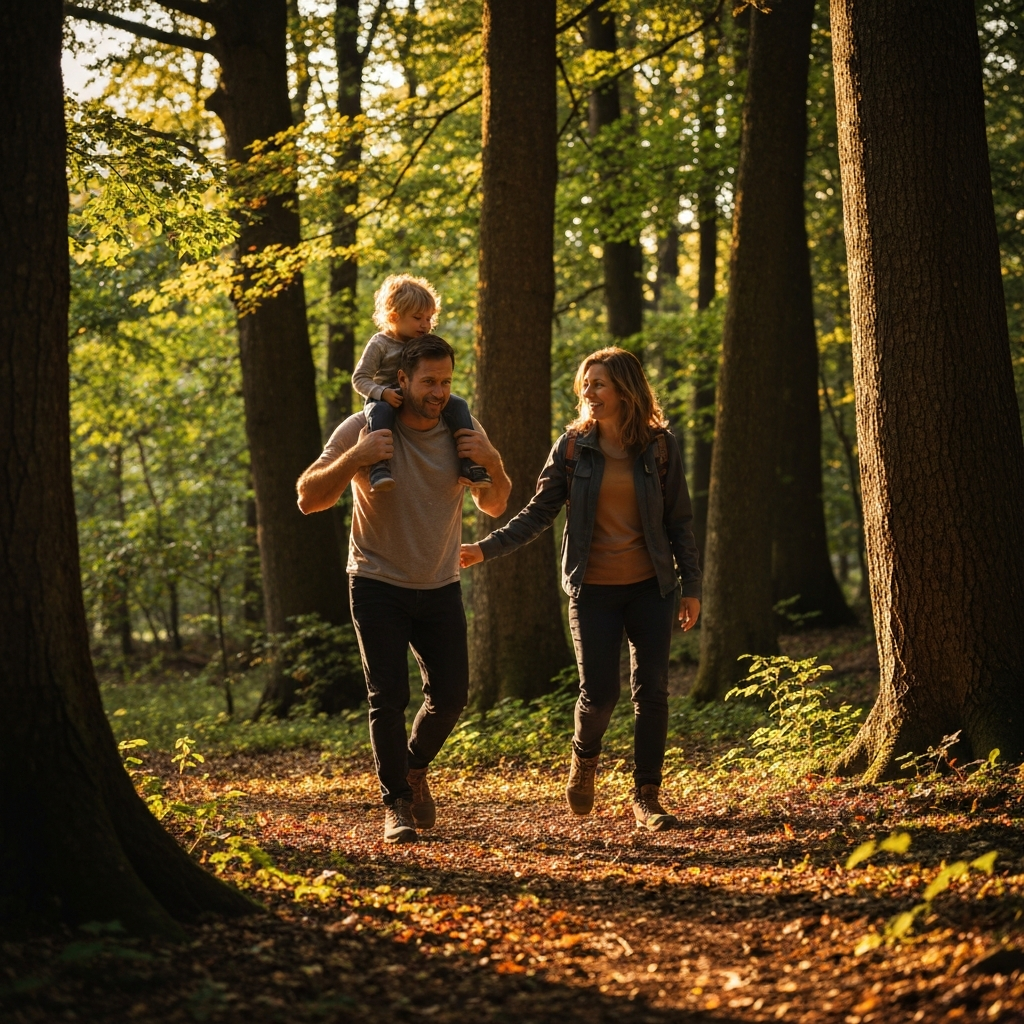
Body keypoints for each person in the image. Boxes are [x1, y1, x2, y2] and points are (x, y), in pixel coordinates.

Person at [460, 347, 701, 831]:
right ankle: (584, 759)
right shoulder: (572, 448)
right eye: (585, 385)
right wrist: (486, 548)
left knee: (652, 691)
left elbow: (679, 521)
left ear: (626, 391)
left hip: (653, 588)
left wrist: (691, 586)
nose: (588, 394)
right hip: (592, 591)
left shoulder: (659, 446)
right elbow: (538, 512)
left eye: (599, 385)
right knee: (599, 695)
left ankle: (647, 797)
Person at [297, 334, 511, 844]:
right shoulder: (364, 425)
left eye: (446, 382)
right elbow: (308, 498)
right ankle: (396, 803)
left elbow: (495, 505)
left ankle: (412, 768)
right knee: (387, 696)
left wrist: (495, 463)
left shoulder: (463, 429)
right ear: (402, 381)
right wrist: (357, 456)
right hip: (376, 580)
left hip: (440, 583)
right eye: (428, 382)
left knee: (452, 696)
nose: (438, 392)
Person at [353, 274, 492, 492]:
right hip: (385, 396)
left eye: (429, 319)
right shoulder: (380, 343)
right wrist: (381, 393)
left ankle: (470, 463)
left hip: (417, 396)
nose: (426, 325)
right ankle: (379, 467)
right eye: (418, 318)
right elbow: (359, 378)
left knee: (458, 405)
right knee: (381, 413)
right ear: (394, 316)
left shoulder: (422, 343)